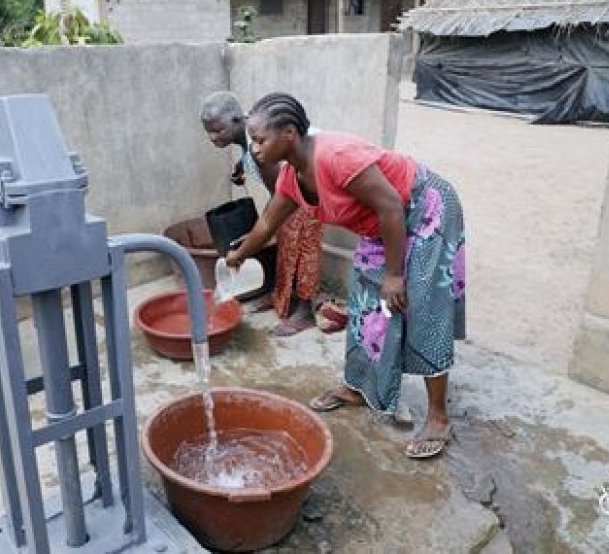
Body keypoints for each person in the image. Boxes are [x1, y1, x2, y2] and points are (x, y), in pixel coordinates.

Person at [226, 93, 466, 459]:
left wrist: (392, 275)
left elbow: (389, 205)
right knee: (367, 307)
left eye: (260, 140)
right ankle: (359, 387)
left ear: (289, 133)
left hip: (422, 208)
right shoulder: (292, 176)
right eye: (252, 141)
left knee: (420, 305)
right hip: (384, 224)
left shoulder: (335, 157)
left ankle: (438, 416)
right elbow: (267, 223)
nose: (254, 149)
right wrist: (238, 256)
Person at [200, 92, 330, 336]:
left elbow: (279, 195)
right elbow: (253, 160)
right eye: (208, 131)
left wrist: (260, 231)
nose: (212, 137)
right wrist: (240, 168)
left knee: (304, 250)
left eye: (218, 130)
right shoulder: (251, 133)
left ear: (238, 120)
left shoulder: (258, 144)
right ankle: (282, 295)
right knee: (285, 244)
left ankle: (304, 311)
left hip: (308, 189)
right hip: (295, 187)